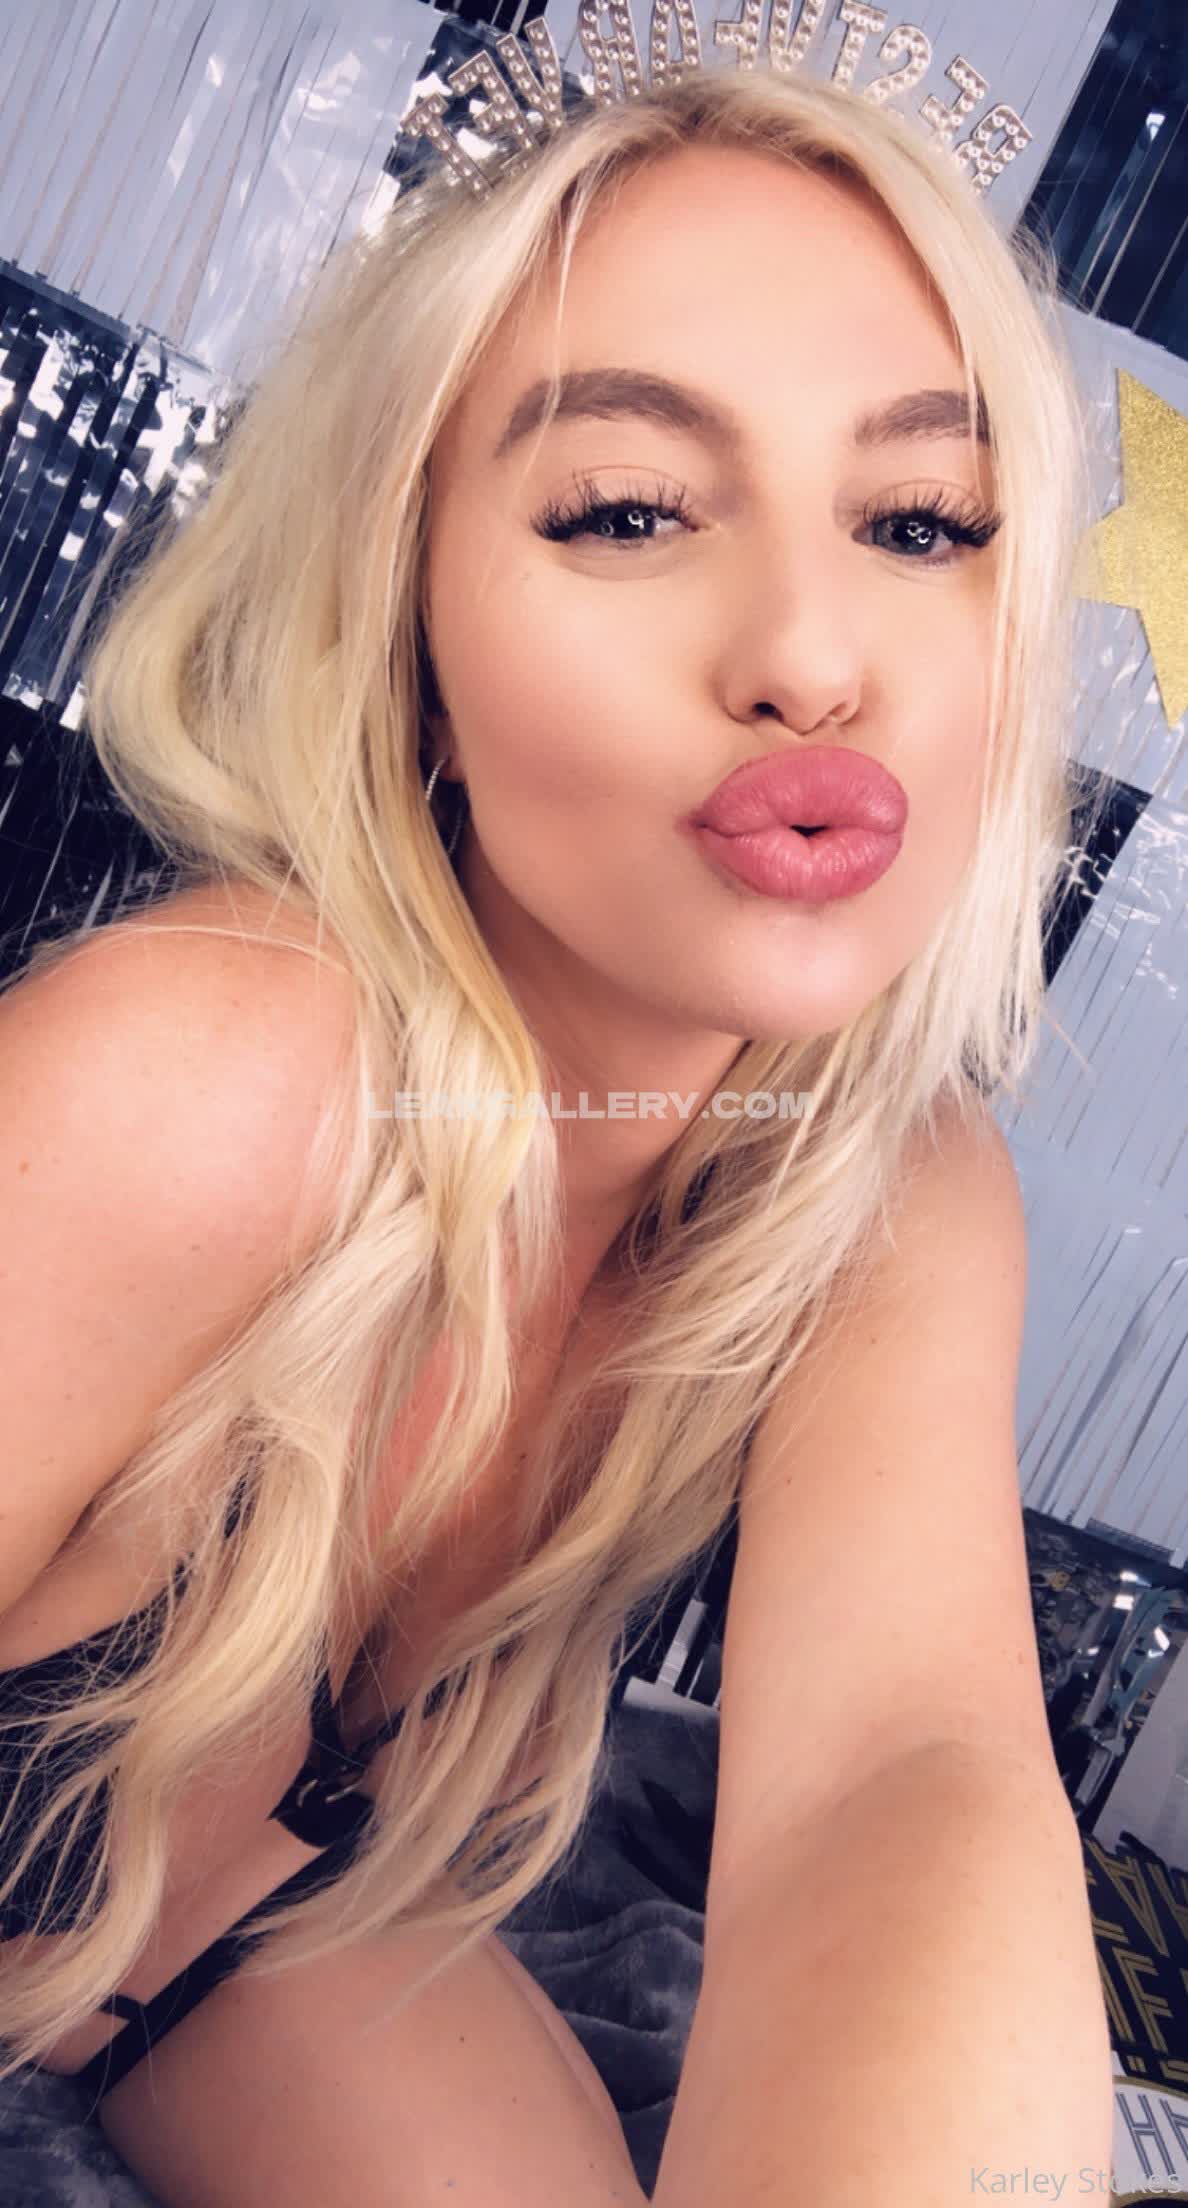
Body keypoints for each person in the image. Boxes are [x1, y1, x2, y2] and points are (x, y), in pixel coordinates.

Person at [0, 55, 1113, 2208]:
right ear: (409, 627)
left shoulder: (884, 1194)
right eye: (627, 510)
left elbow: (898, 1782)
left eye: (921, 523)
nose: (812, 657)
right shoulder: (222, 1069)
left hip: (214, 1919)